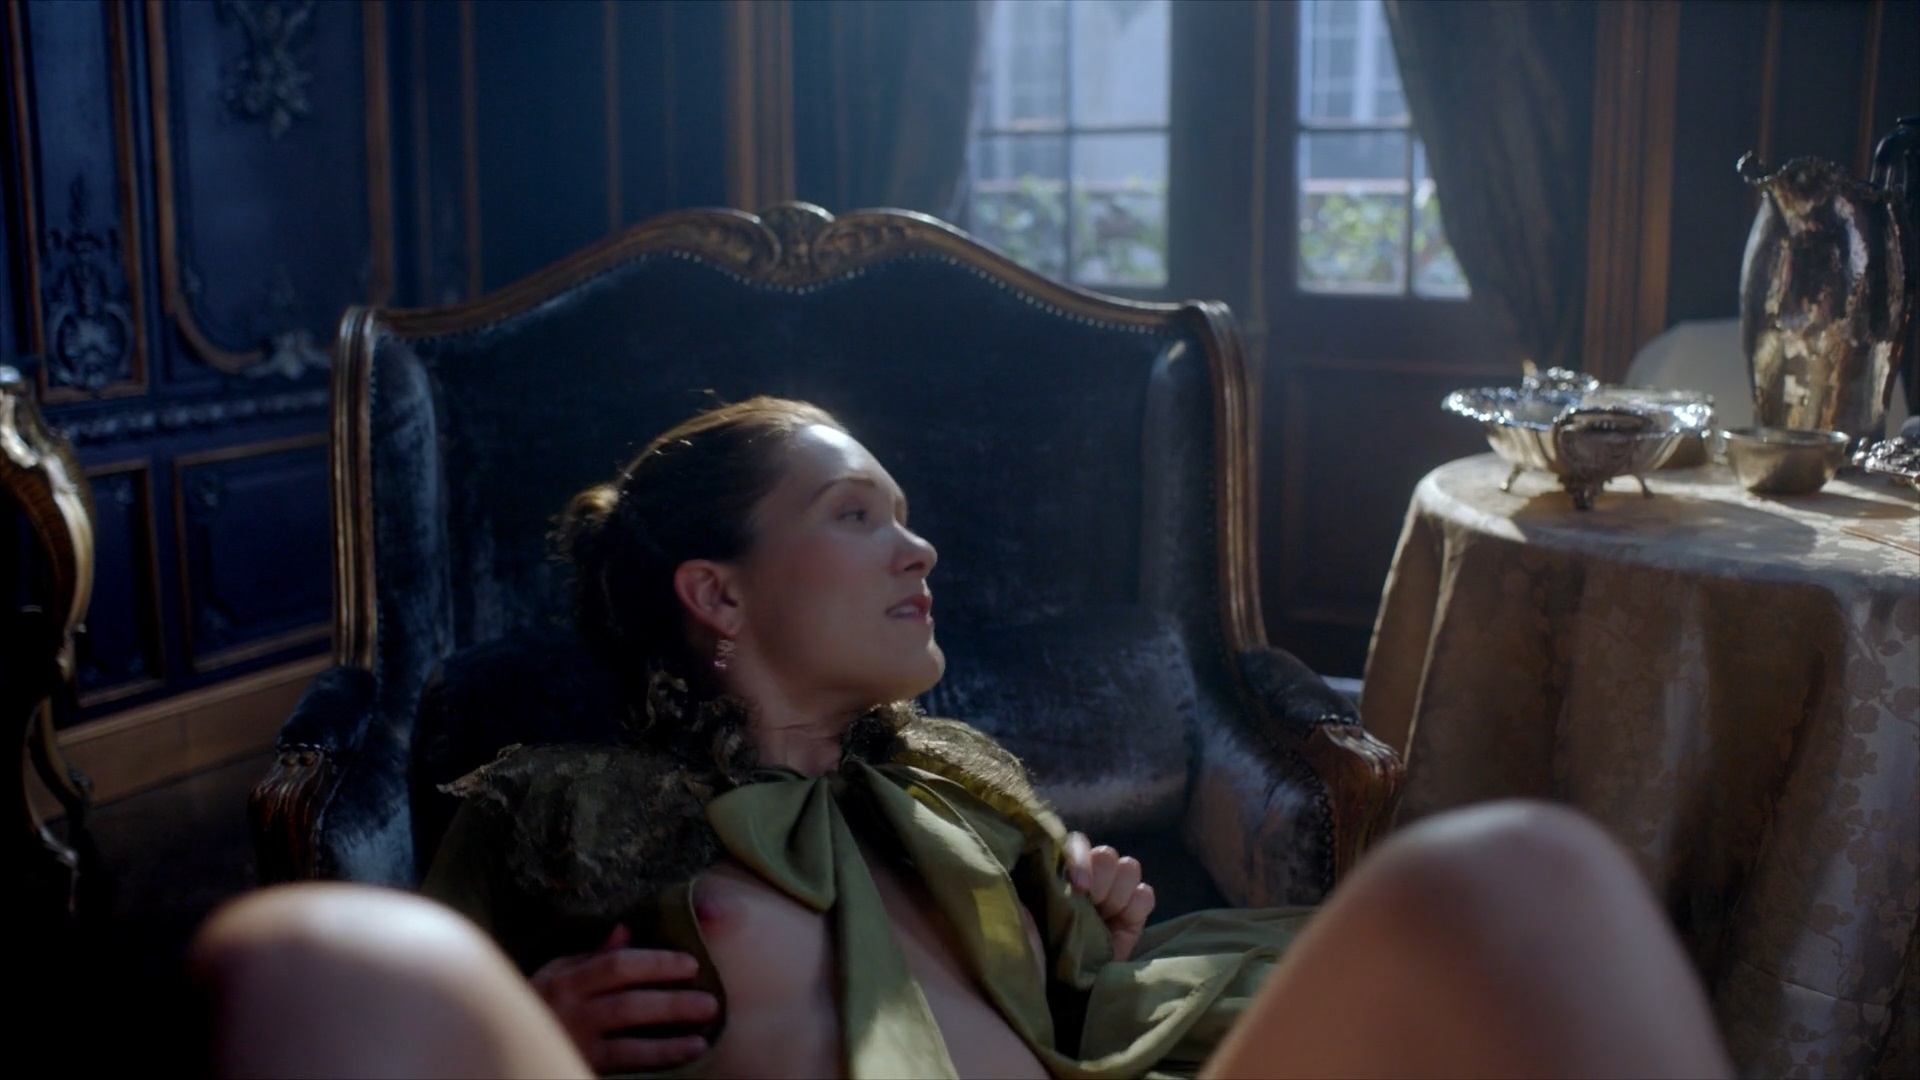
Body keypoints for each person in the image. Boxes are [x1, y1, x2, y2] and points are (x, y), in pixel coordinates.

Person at [192, 397, 1734, 1079]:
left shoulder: (960, 790)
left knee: (1521, 876)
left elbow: (1079, 1018)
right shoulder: (562, 814)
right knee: (305, 961)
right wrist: (528, 1030)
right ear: (716, 592)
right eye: (856, 515)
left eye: (908, 516)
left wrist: (1087, 937)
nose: (918, 549)